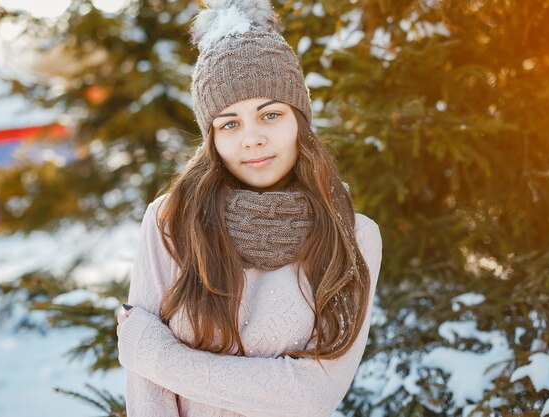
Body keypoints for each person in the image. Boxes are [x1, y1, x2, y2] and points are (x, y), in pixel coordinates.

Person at [115, 0, 383, 416]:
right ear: (212, 139)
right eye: (230, 123)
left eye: (270, 114)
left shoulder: (353, 234)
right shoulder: (170, 221)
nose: (251, 138)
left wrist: (154, 355)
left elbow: (313, 394)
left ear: (299, 122)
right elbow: (149, 398)